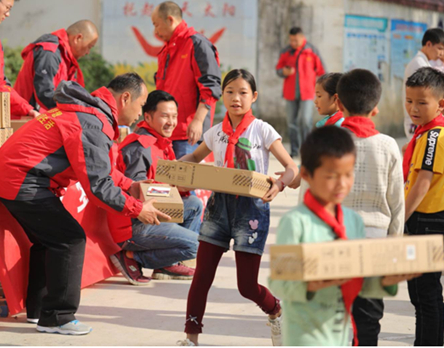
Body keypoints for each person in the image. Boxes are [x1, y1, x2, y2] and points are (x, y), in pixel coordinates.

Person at [0, 73, 169, 335]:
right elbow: (97, 186)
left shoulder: (89, 114)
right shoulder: (91, 122)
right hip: (23, 180)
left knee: (50, 239)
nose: (140, 115)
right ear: (125, 98)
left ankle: (39, 310)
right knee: (70, 239)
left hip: (17, 176)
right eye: (141, 106)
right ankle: (58, 317)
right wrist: (138, 209)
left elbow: (96, 166)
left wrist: (129, 185)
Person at [176, 69, 299, 346]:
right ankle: (190, 338)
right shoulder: (216, 132)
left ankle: (275, 310)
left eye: (243, 92)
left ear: (253, 97)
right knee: (201, 277)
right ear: (222, 96)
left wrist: (278, 186)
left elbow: (291, 168)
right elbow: (194, 157)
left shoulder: (263, 130)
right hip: (218, 207)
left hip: (252, 210)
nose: (236, 98)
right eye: (230, 92)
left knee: (246, 286)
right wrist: (168, 171)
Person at [269, 125, 419, 346]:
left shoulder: (353, 222)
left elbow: (362, 284)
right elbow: (280, 283)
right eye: (331, 176)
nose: (342, 183)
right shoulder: (296, 222)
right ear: (307, 175)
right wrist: (315, 281)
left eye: (348, 174)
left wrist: (387, 280)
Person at [334, 69, 405, 345]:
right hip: (376, 242)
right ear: (375, 108)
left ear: (338, 103)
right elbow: (397, 204)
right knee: (369, 316)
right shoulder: (388, 146)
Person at [108, 90, 201, 284]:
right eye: (165, 116)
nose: (171, 122)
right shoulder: (140, 147)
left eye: (174, 116)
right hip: (134, 225)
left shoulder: (161, 142)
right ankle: (133, 257)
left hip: (153, 214)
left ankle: (166, 264)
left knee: (194, 204)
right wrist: (172, 185)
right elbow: (138, 192)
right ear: (148, 116)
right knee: (199, 245)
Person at [403, 67, 444, 346]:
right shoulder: (425, 132)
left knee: (425, 294)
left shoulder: (434, 136)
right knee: (421, 293)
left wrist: (399, 221)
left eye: (421, 102)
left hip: (428, 221)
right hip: (426, 220)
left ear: (440, 103)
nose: (413, 108)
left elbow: (422, 183)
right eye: (409, 101)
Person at [151, 1, 222, 158]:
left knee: (185, 181)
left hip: (188, 134)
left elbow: (211, 87)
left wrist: (197, 121)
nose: (155, 31)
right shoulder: (167, 49)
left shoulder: (197, 43)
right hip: (166, 132)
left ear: (170, 20)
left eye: (156, 24)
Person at [14, 20, 99, 112]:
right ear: (77, 38)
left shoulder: (66, 57)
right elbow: (44, 94)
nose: (87, 53)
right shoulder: (49, 52)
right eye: (89, 47)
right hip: (26, 116)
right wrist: (73, 110)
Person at [284, 73, 344, 193]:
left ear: (335, 98)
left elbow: (321, 159)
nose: (315, 102)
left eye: (319, 96)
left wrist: (299, 173)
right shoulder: (328, 124)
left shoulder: (339, 128)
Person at [275, 27, 326, 158]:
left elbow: (321, 71)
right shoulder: (286, 51)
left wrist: (321, 90)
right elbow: (279, 69)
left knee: (305, 121)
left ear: (302, 37)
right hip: (290, 93)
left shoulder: (312, 51)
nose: (293, 43)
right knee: (291, 123)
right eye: (291, 40)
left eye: (296, 40)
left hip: (307, 93)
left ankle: (307, 149)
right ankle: (294, 150)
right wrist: (283, 72)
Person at [402, 28, 444, 139]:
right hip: (416, 120)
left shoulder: (422, 62)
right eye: (439, 48)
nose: (441, 53)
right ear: (429, 44)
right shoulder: (419, 65)